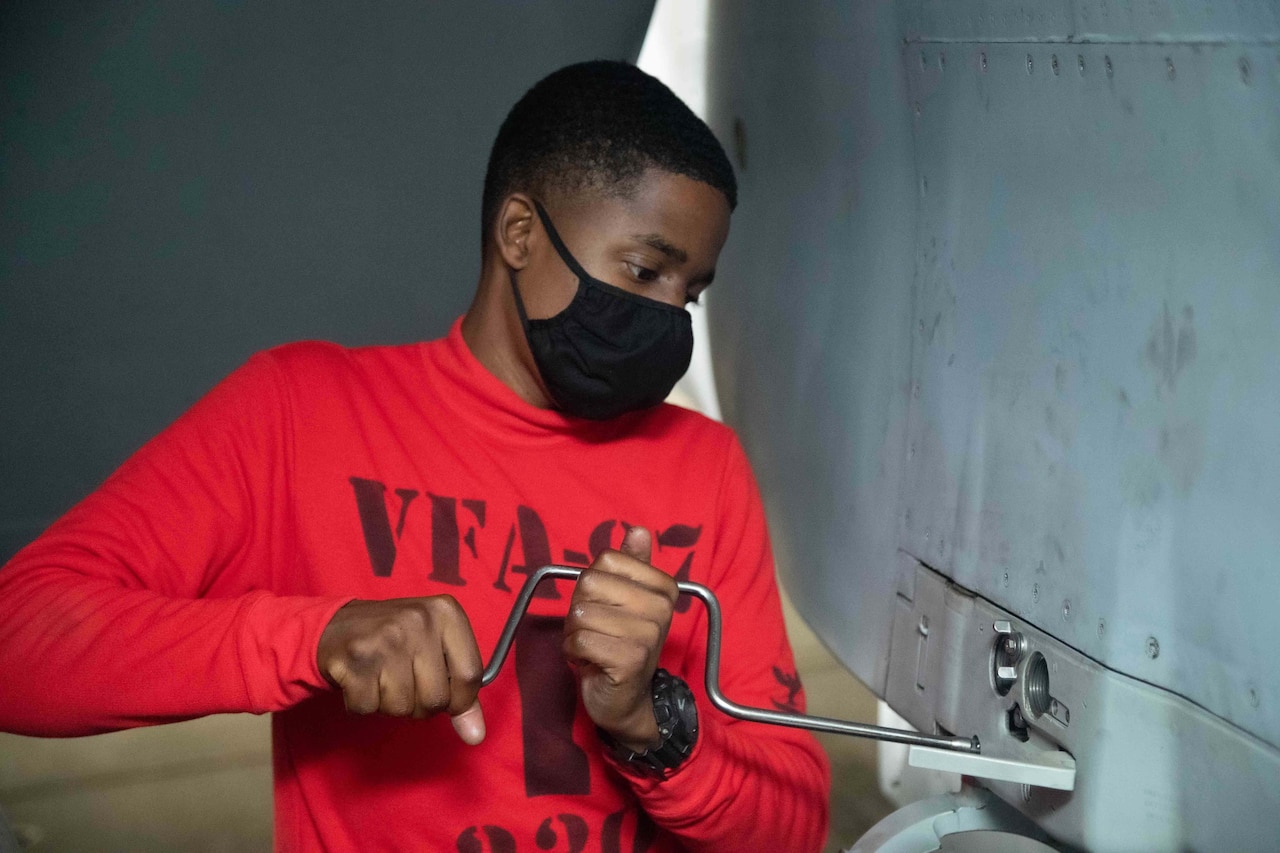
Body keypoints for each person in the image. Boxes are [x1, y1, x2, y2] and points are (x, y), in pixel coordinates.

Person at [0, 61, 830, 851]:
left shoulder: (702, 466)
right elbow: (19, 639)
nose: (668, 319)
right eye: (646, 269)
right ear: (519, 233)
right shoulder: (302, 412)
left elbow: (794, 827)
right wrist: (314, 637)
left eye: (691, 292)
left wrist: (650, 724)